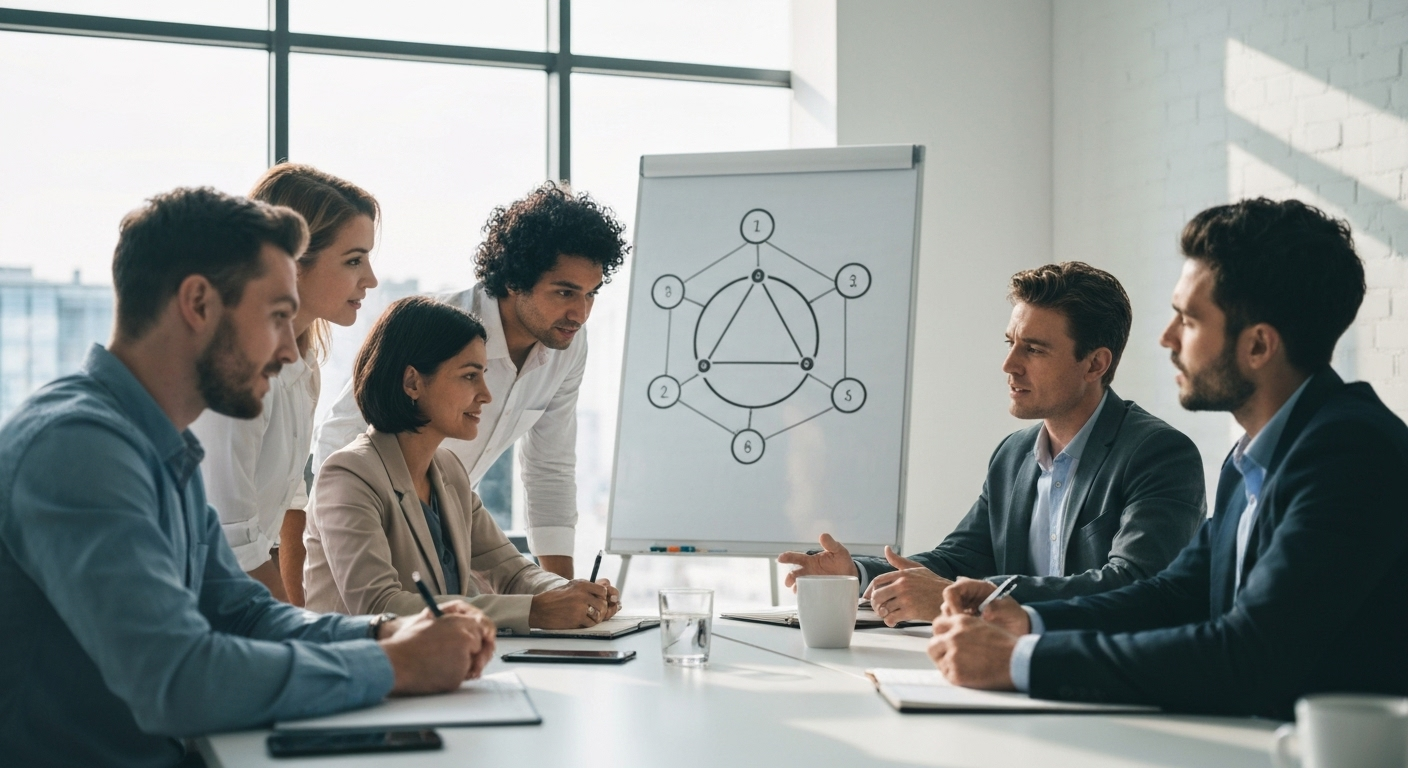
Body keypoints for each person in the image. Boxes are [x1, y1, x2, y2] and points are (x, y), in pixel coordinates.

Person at [0, 188, 495, 768]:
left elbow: (244, 613)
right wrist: (394, 666)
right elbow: (178, 678)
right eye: (278, 317)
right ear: (199, 303)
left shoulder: (163, 449)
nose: (290, 350)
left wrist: (385, 637)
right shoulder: (78, 449)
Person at [930, 198, 1408, 719]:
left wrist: (1022, 660)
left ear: (1258, 346)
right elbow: (1173, 595)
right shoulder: (1251, 457)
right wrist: (1026, 621)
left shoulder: (1352, 454)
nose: (1166, 338)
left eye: (1189, 319)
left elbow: (1244, 656)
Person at [778, 262, 1205, 624]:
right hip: (1012, 672)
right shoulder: (1013, 456)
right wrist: (852, 573)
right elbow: (957, 560)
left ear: (1095, 363)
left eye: (1034, 349)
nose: (1009, 365)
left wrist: (968, 599)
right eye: (1010, 343)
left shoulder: (1159, 454)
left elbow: (1133, 586)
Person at [314, 182, 629, 580]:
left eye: (590, 294)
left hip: (449, 521)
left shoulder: (568, 345)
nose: (580, 313)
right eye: (565, 292)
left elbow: (550, 468)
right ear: (516, 280)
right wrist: (344, 541)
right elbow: (339, 437)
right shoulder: (436, 324)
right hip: (373, 521)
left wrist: (566, 597)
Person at [304, 296, 622, 633]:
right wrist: (534, 611)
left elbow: (512, 571)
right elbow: (381, 606)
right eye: (470, 376)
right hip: (360, 675)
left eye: (483, 374)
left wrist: (574, 595)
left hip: (437, 670)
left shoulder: (447, 471)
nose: (486, 394)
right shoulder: (348, 475)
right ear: (413, 382)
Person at [191, 164, 379, 605]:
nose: (370, 278)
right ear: (293, 264)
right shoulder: (235, 368)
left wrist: (298, 612)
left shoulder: (304, 362)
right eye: (354, 260)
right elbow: (231, 544)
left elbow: (289, 502)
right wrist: (297, 637)